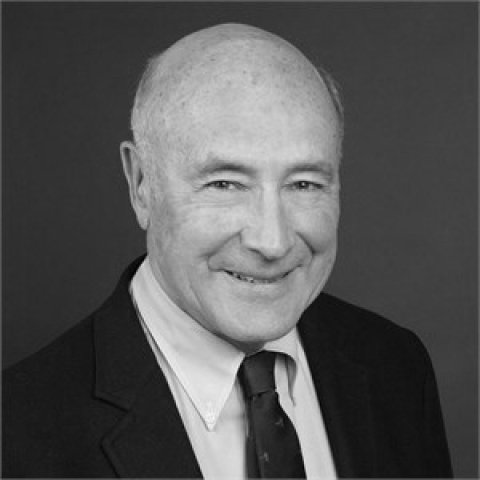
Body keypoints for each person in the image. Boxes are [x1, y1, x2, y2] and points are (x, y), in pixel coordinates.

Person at [2, 23, 452, 478]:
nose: (272, 242)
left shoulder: (394, 365)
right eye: (225, 184)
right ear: (141, 184)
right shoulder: (17, 432)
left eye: (304, 184)